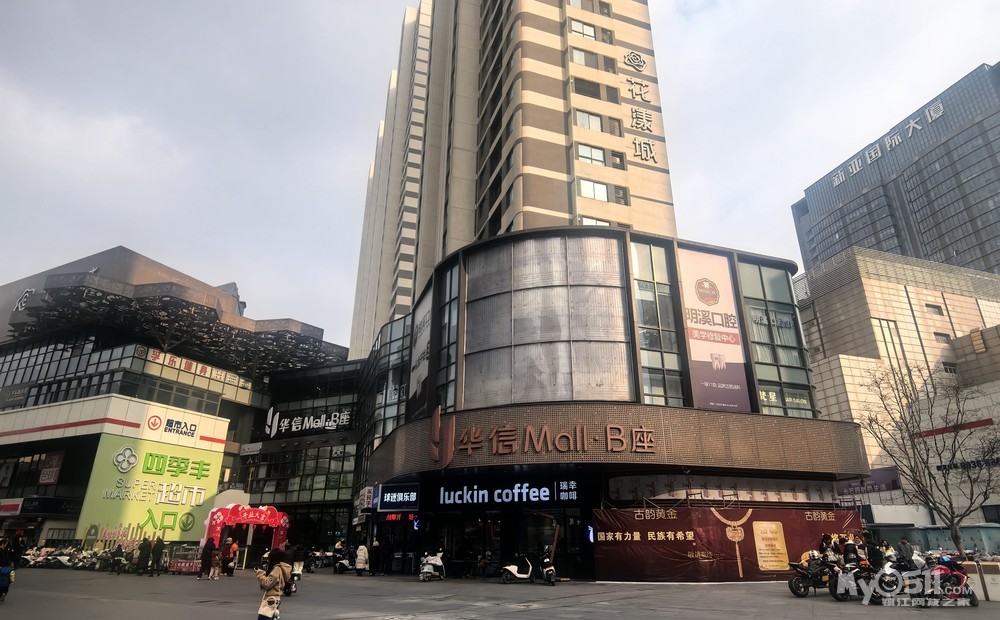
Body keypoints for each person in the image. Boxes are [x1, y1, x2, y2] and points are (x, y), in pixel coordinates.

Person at [255, 548, 291, 620]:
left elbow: (267, 583)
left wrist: (260, 573)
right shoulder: (282, 569)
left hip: (270, 600)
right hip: (276, 599)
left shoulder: (277, 569)